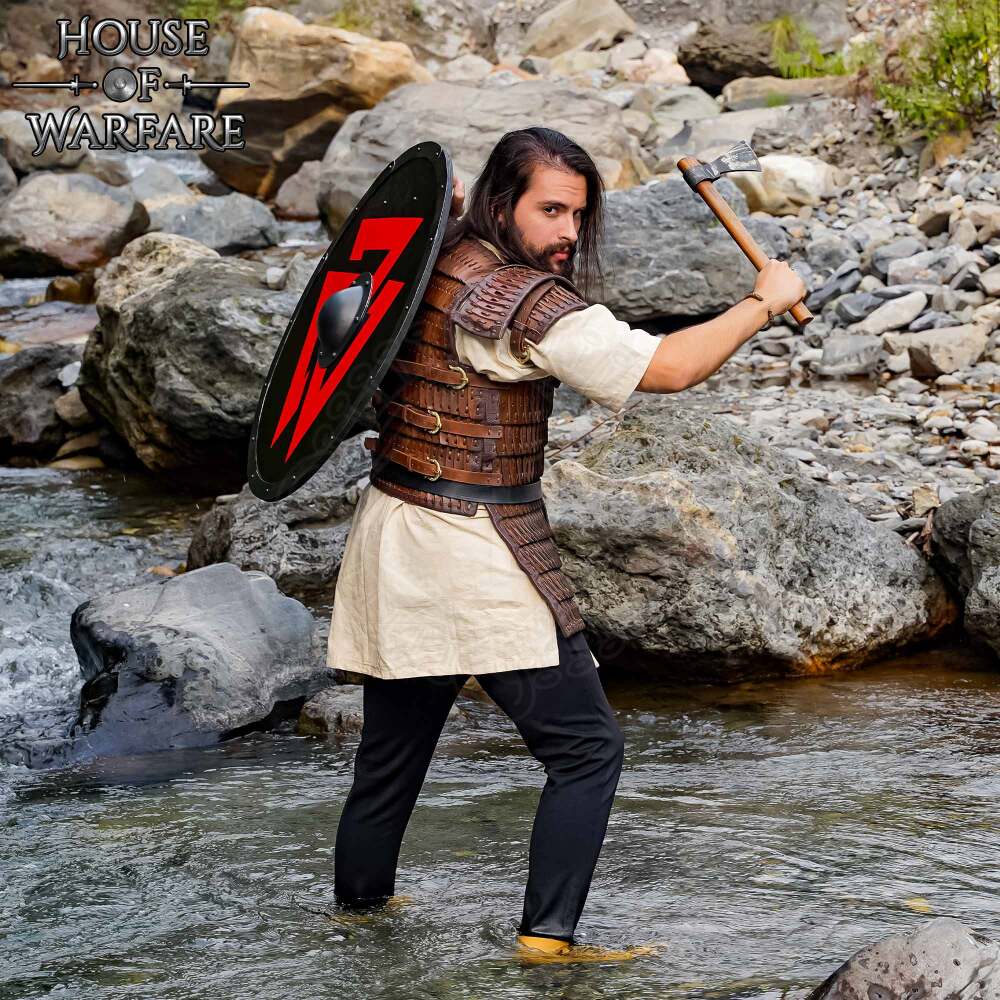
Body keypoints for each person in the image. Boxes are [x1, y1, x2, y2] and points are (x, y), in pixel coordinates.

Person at [328, 127, 806, 961]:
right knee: (588, 750)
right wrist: (762, 302)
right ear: (500, 201)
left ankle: (359, 922)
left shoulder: (434, 260)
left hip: (394, 533)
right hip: (471, 546)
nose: (567, 233)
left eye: (578, 216)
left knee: (391, 758)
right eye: (550, 210)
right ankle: (547, 945)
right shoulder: (523, 306)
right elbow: (666, 368)